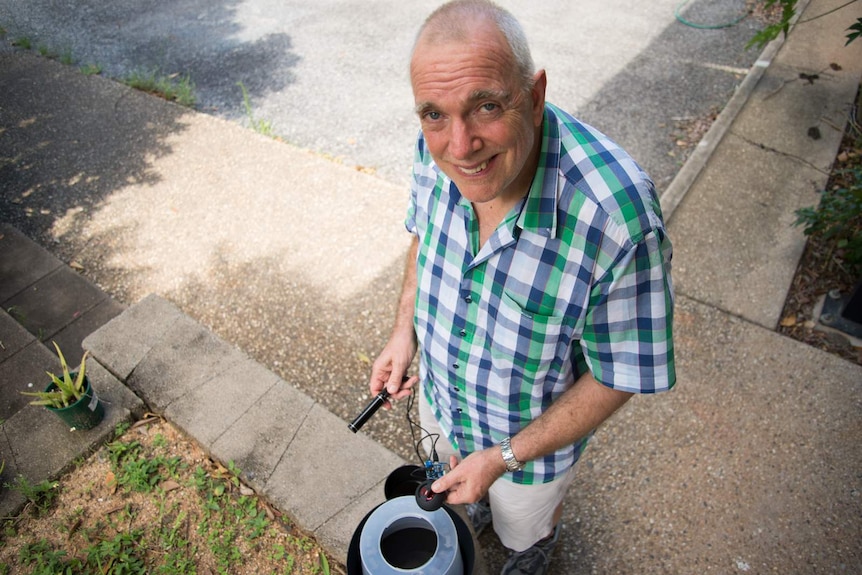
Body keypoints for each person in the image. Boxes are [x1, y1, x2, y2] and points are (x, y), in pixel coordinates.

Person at [369, 1, 676, 573]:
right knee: (463, 493)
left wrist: (502, 458)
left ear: (534, 95)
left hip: (528, 455)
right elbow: (423, 234)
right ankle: (481, 504)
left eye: (485, 106)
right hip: (442, 407)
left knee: (524, 528)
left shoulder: (617, 217)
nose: (459, 147)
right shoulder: (434, 152)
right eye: (434, 115)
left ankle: (531, 549)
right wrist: (401, 333)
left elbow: (621, 372)